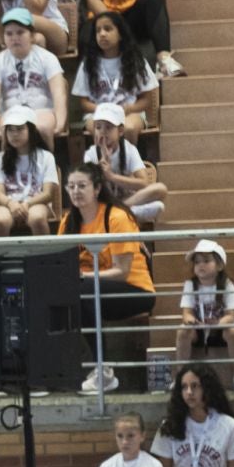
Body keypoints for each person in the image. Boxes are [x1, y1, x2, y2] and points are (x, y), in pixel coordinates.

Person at [61, 161, 153, 393]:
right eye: (70, 186)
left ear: (97, 188)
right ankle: (53, 372)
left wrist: (84, 276)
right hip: (89, 289)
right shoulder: (68, 222)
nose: (76, 192)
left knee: (82, 293)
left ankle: (102, 370)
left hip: (134, 289)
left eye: (82, 185)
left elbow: (121, 272)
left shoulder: (117, 217)